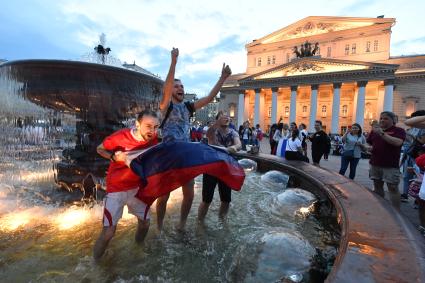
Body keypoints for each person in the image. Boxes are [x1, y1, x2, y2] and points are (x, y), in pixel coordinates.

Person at [156, 47, 232, 230]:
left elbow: (209, 98)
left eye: (182, 86)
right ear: (170, 90)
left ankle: (181, 223)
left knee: (189, 194)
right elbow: (167, 88)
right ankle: (158, 226)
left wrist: (222, 78)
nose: (180, 88)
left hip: (186, 155)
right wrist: (173, 61)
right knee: (164, 196)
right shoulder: (165, 106)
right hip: (168, 155)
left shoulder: (188, 107)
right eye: (177, 86)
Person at [93, 110, 160, 260]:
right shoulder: (120, 136)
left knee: (145, 224)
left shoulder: (154, 140)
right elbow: (99, 148)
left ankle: (138, 249)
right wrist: (113, 157)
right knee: (109, 232)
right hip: (116, 188)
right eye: (148, 126)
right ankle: (94, 263)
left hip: (137, 188)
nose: (153, 131)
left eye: (156, 127)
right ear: (137, 124)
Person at [198, 111, 241, 222]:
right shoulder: (213, 130)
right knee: (207, 200)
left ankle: (222, 220)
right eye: (222, 116)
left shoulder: (233, 132)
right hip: (211, 168)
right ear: (217, 119)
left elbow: (239, 144)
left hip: (226, 169)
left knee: (226, 200)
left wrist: (235, 147)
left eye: (227, 116)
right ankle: (200, 222)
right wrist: (217, 123)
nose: (226, 117)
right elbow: (209, 134)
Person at [361, 111, 406, 210]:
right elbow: (369, 143)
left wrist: (381, 133)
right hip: (375, 163)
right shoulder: (374, 131)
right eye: (381, 118)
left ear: (393, 120)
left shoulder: (399, 130)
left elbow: (397, 143)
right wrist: (367, 147)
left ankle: (396, 212)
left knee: (393, 188)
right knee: (377, 186)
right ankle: (381, 209)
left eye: (385, 118)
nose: (382, 120)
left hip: (390, 165)